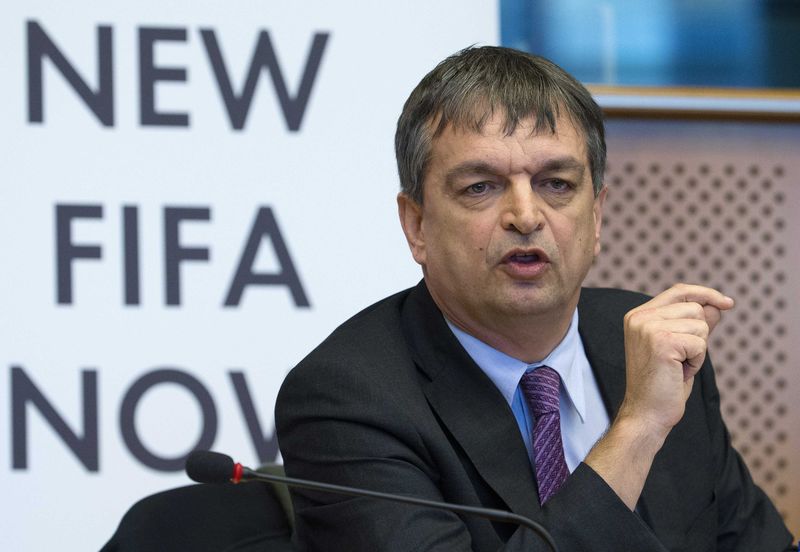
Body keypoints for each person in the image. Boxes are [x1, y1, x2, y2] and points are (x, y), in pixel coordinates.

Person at [275, 46, 794, 551]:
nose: (525, 215)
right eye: (480, 187)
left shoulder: (650, 347)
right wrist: (636, 430)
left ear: (596, 218)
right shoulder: (346, 400)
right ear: (417, 226)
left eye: (556, 184)